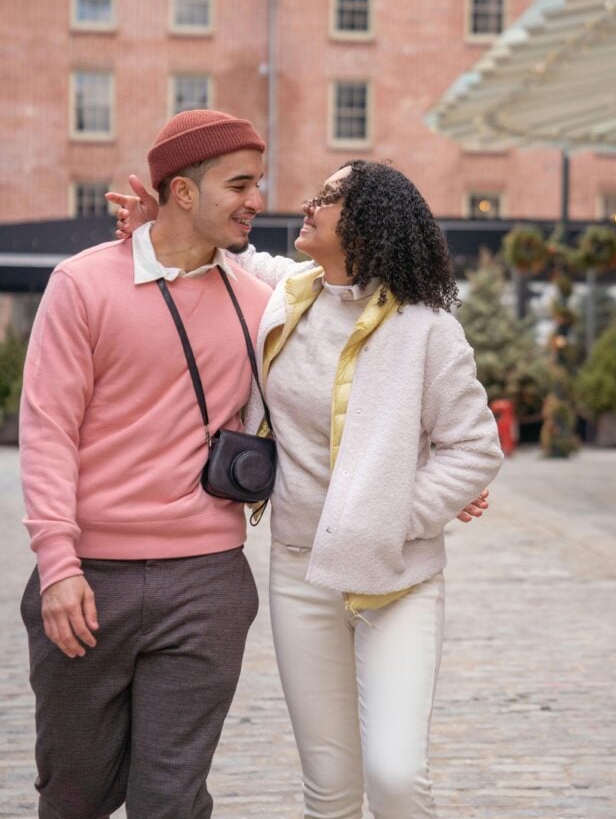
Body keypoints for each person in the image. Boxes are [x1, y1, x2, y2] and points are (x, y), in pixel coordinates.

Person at [112, 156, 503, 818]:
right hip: (299, 573)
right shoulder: (286, 293)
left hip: (397, 580)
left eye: (329, 197)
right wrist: (160, 223)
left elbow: (474, 448)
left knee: (397, 775)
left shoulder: (428, 330)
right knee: (328, 787)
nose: (308, 204)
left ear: (368, 223)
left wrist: (392, 514)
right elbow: (218, 256)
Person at [19, 109, 274, 819]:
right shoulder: (81, 285)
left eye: (260, 181)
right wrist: (59, 565)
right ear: (183, 193)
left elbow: (359, 333)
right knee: (74, 795)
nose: (258, 199)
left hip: (208, 584)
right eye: (241, 183)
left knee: (170, 800)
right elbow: (47, 430)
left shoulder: (261, 304)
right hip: (87, 584)